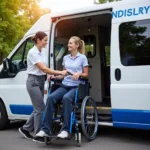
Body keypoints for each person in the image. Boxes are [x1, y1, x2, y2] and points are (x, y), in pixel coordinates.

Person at [34, 36, 88, 142]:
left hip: (76, 87)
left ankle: (65, 130)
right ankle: (45, 129)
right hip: (64, 85)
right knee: (50, 98)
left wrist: (79, 74)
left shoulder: (82, 58)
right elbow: (63, 75)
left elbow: (86, 75)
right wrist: (55, 76)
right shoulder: (65, 58)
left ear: (77, 45)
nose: (68, 45)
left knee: (66, 98)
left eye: (71, 43)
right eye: (68, 43)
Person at [19, 31, 68, 140]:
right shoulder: (32, 52)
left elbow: (45, 69)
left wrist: (50, 75)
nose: (46, 42)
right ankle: (38, 134)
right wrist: (60, 72)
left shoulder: (43, 52)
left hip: (41, 80)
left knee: (38, 108)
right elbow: (43, 68)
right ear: (38, 40)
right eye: (45, 40)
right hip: (33, 82)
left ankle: (26, 128)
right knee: (40, 108)